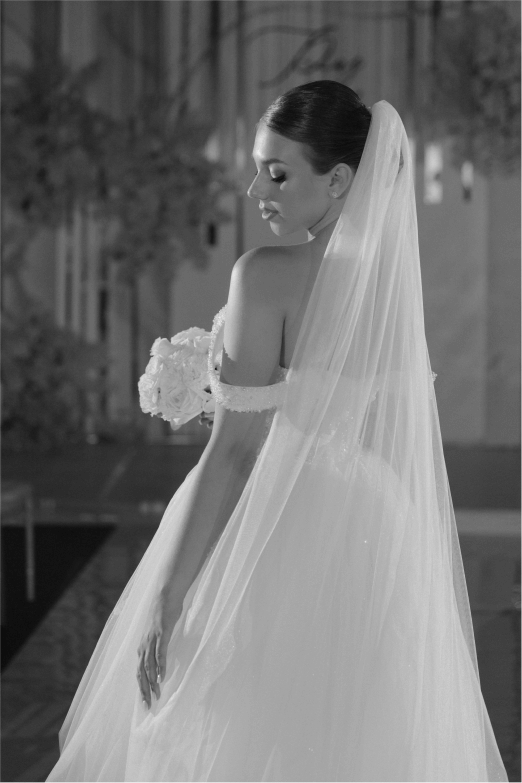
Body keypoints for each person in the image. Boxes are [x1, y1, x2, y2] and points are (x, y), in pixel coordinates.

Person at [46, 81, 508, 783]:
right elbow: (372, 421)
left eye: (278, 173)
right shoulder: (387, 290)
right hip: (371, 525)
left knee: (226, 724)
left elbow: (235, 451)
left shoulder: (264, 275)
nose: (256, 189)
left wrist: (170, 594)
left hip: (270, 517)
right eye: (259, 169)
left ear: (340, 179)